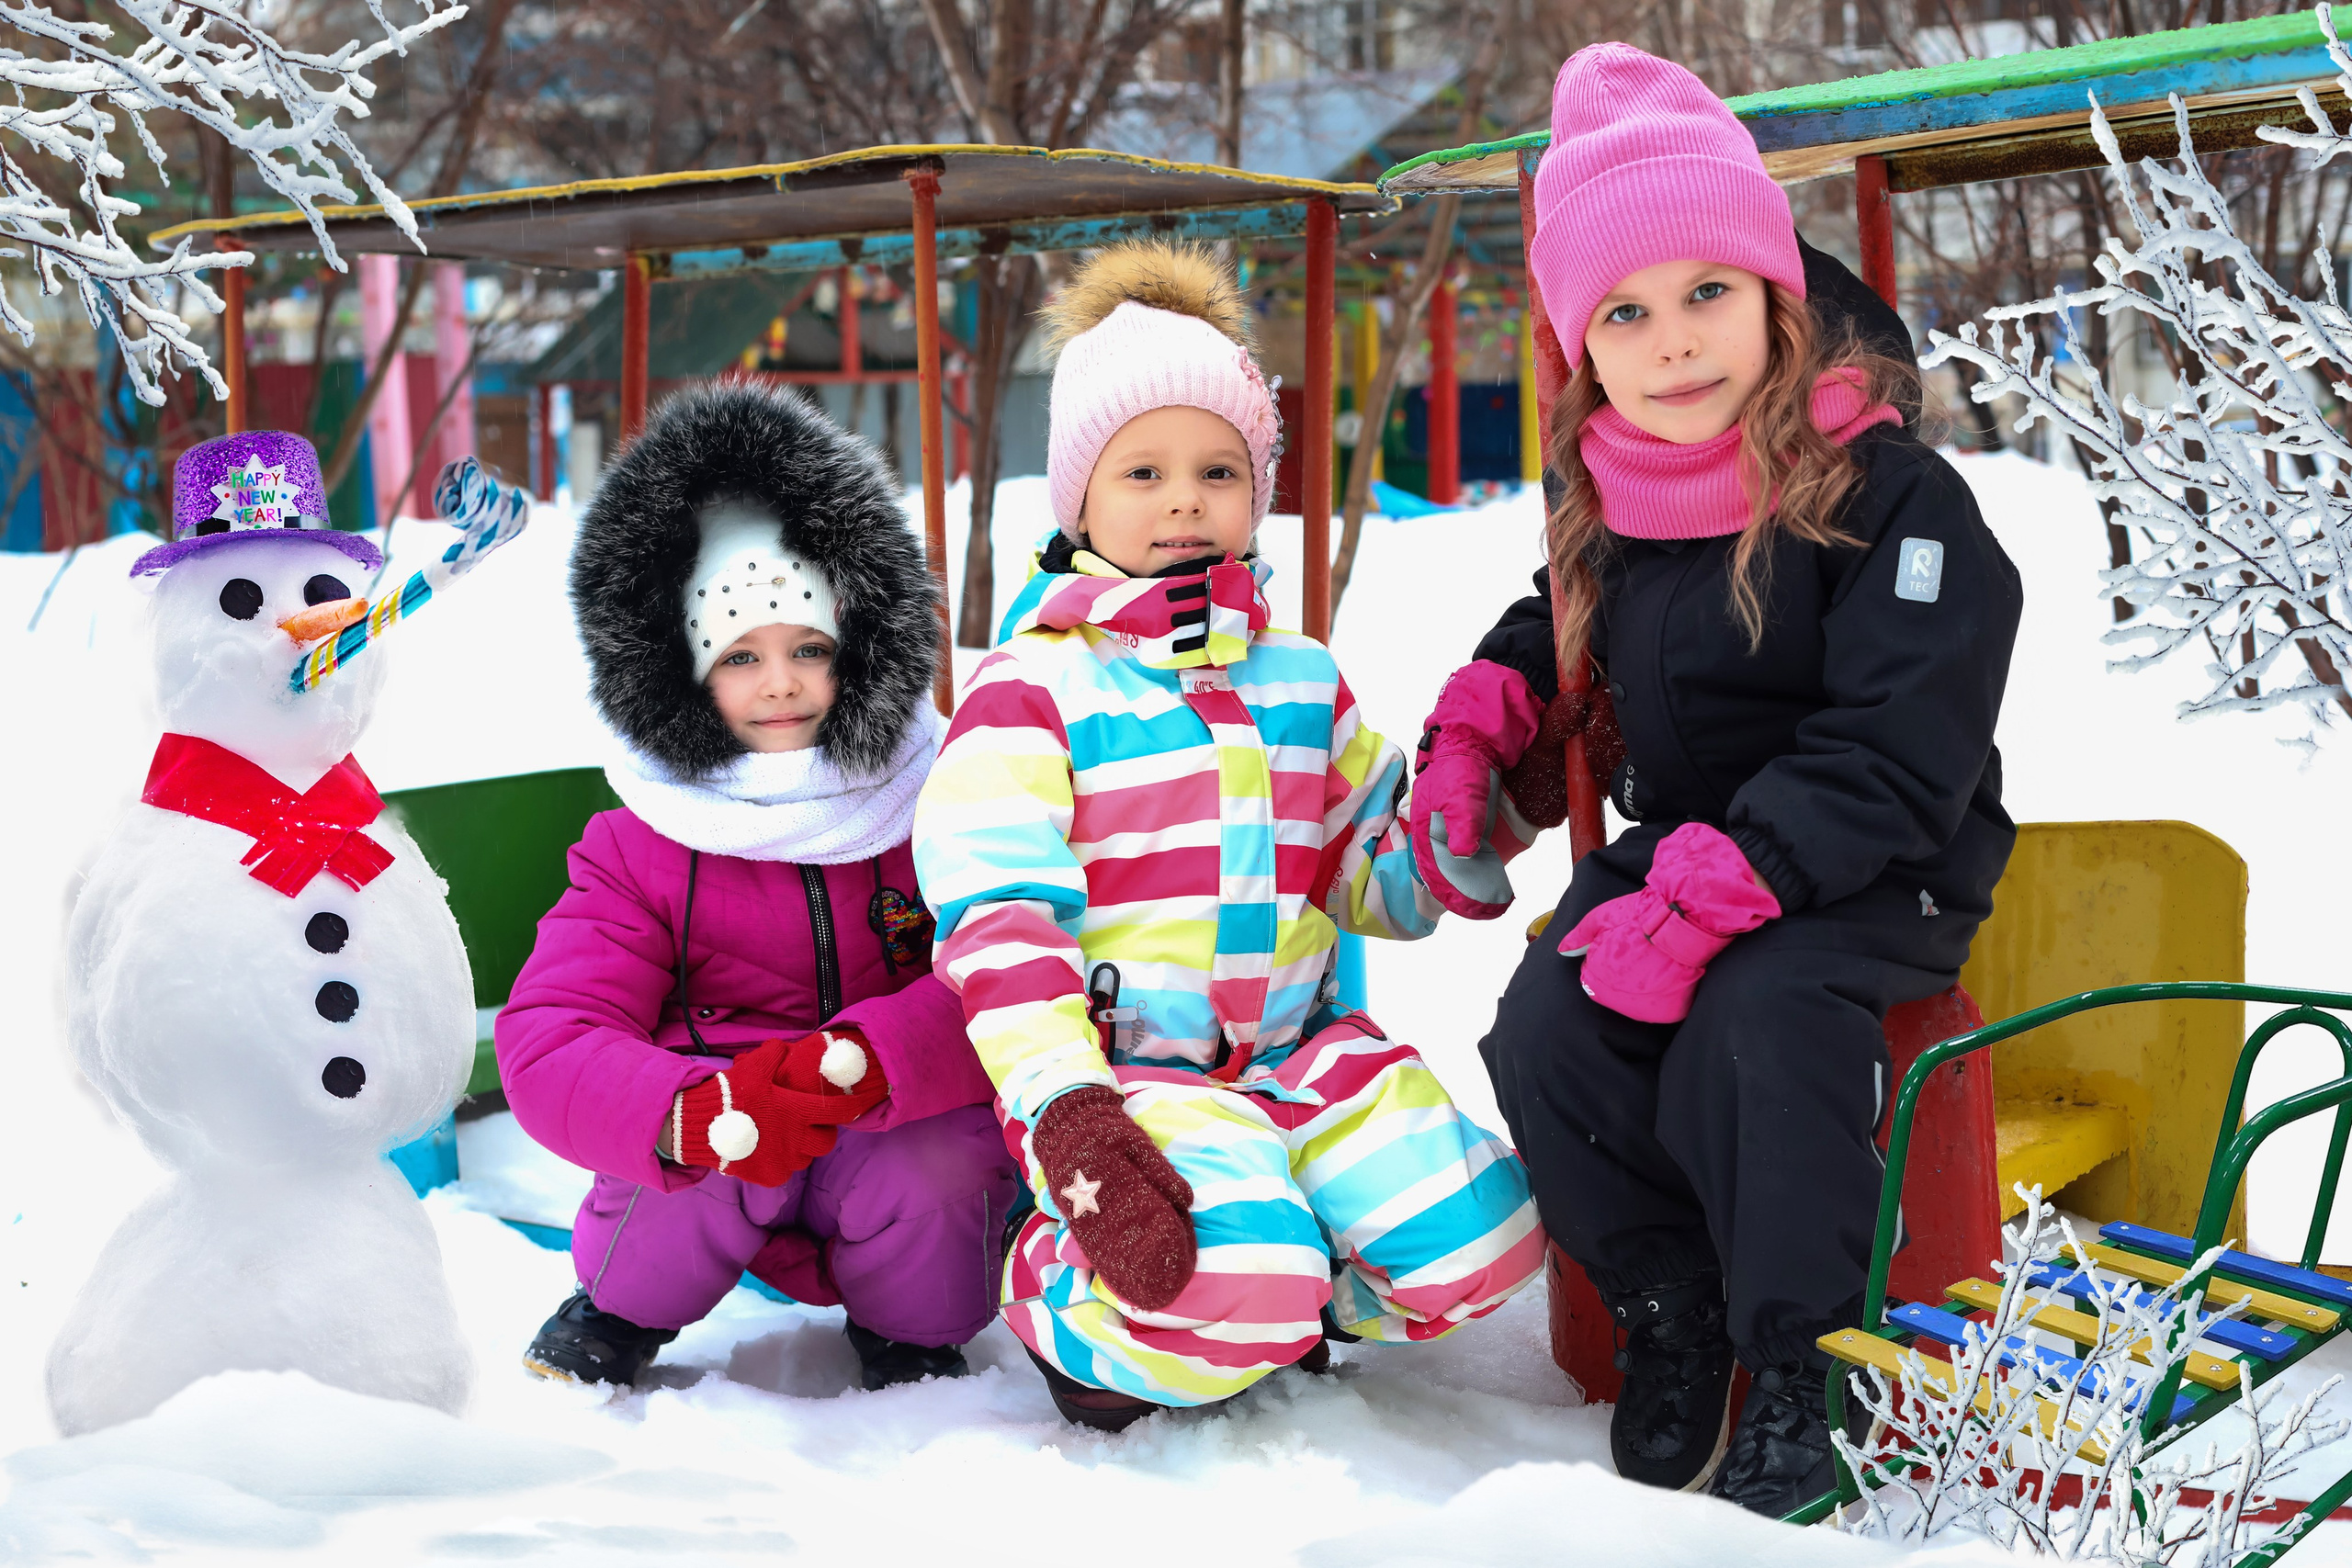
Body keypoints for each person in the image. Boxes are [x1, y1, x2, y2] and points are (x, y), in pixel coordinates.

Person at [1411, 45, 2023, 1515]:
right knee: (1545, 1023)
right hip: (1688, 846)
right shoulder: (1614, 492)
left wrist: (1726, 889)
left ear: (1773, 297)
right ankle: (1666, 1298)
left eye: (1704, 293)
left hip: (1878, 862)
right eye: (1623, 311)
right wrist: (1488, 715)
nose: (1672, 340)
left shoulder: (1892, 492)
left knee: (1756, 1021)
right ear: (1583, 342)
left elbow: (1903, 735)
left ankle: (1807, 1357)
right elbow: (1561, 618)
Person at [912, 241, 1545, 1430]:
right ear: (1080, 497)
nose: (1185, 499)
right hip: (1131, 1083)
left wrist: (1489, 809)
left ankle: (1285, 1292)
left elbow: (1375, 881)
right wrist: (1069, 1111)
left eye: (1218, 468)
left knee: (1489, 1242)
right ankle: (1068, 1296)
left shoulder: (1299, 678)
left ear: (1258, 489)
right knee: (1229, 1282)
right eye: (1141, 471)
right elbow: (1001, 934)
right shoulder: (1035, 691)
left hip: (1301, 1056)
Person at [498, 382, 1016, 1392]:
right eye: (739, 657)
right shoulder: (644, 839)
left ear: (859, 650)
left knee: (943, 1165)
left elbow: (996, 966)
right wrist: (683, 1109)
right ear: (685, 676)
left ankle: (912, 1332)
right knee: (681, 1187)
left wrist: (875, 1058)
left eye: (808, 650)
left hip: (888, 1116)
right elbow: (555, 1032)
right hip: (724, 1116)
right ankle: (617, 1309)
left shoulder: (934, 800)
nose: (779, 684)